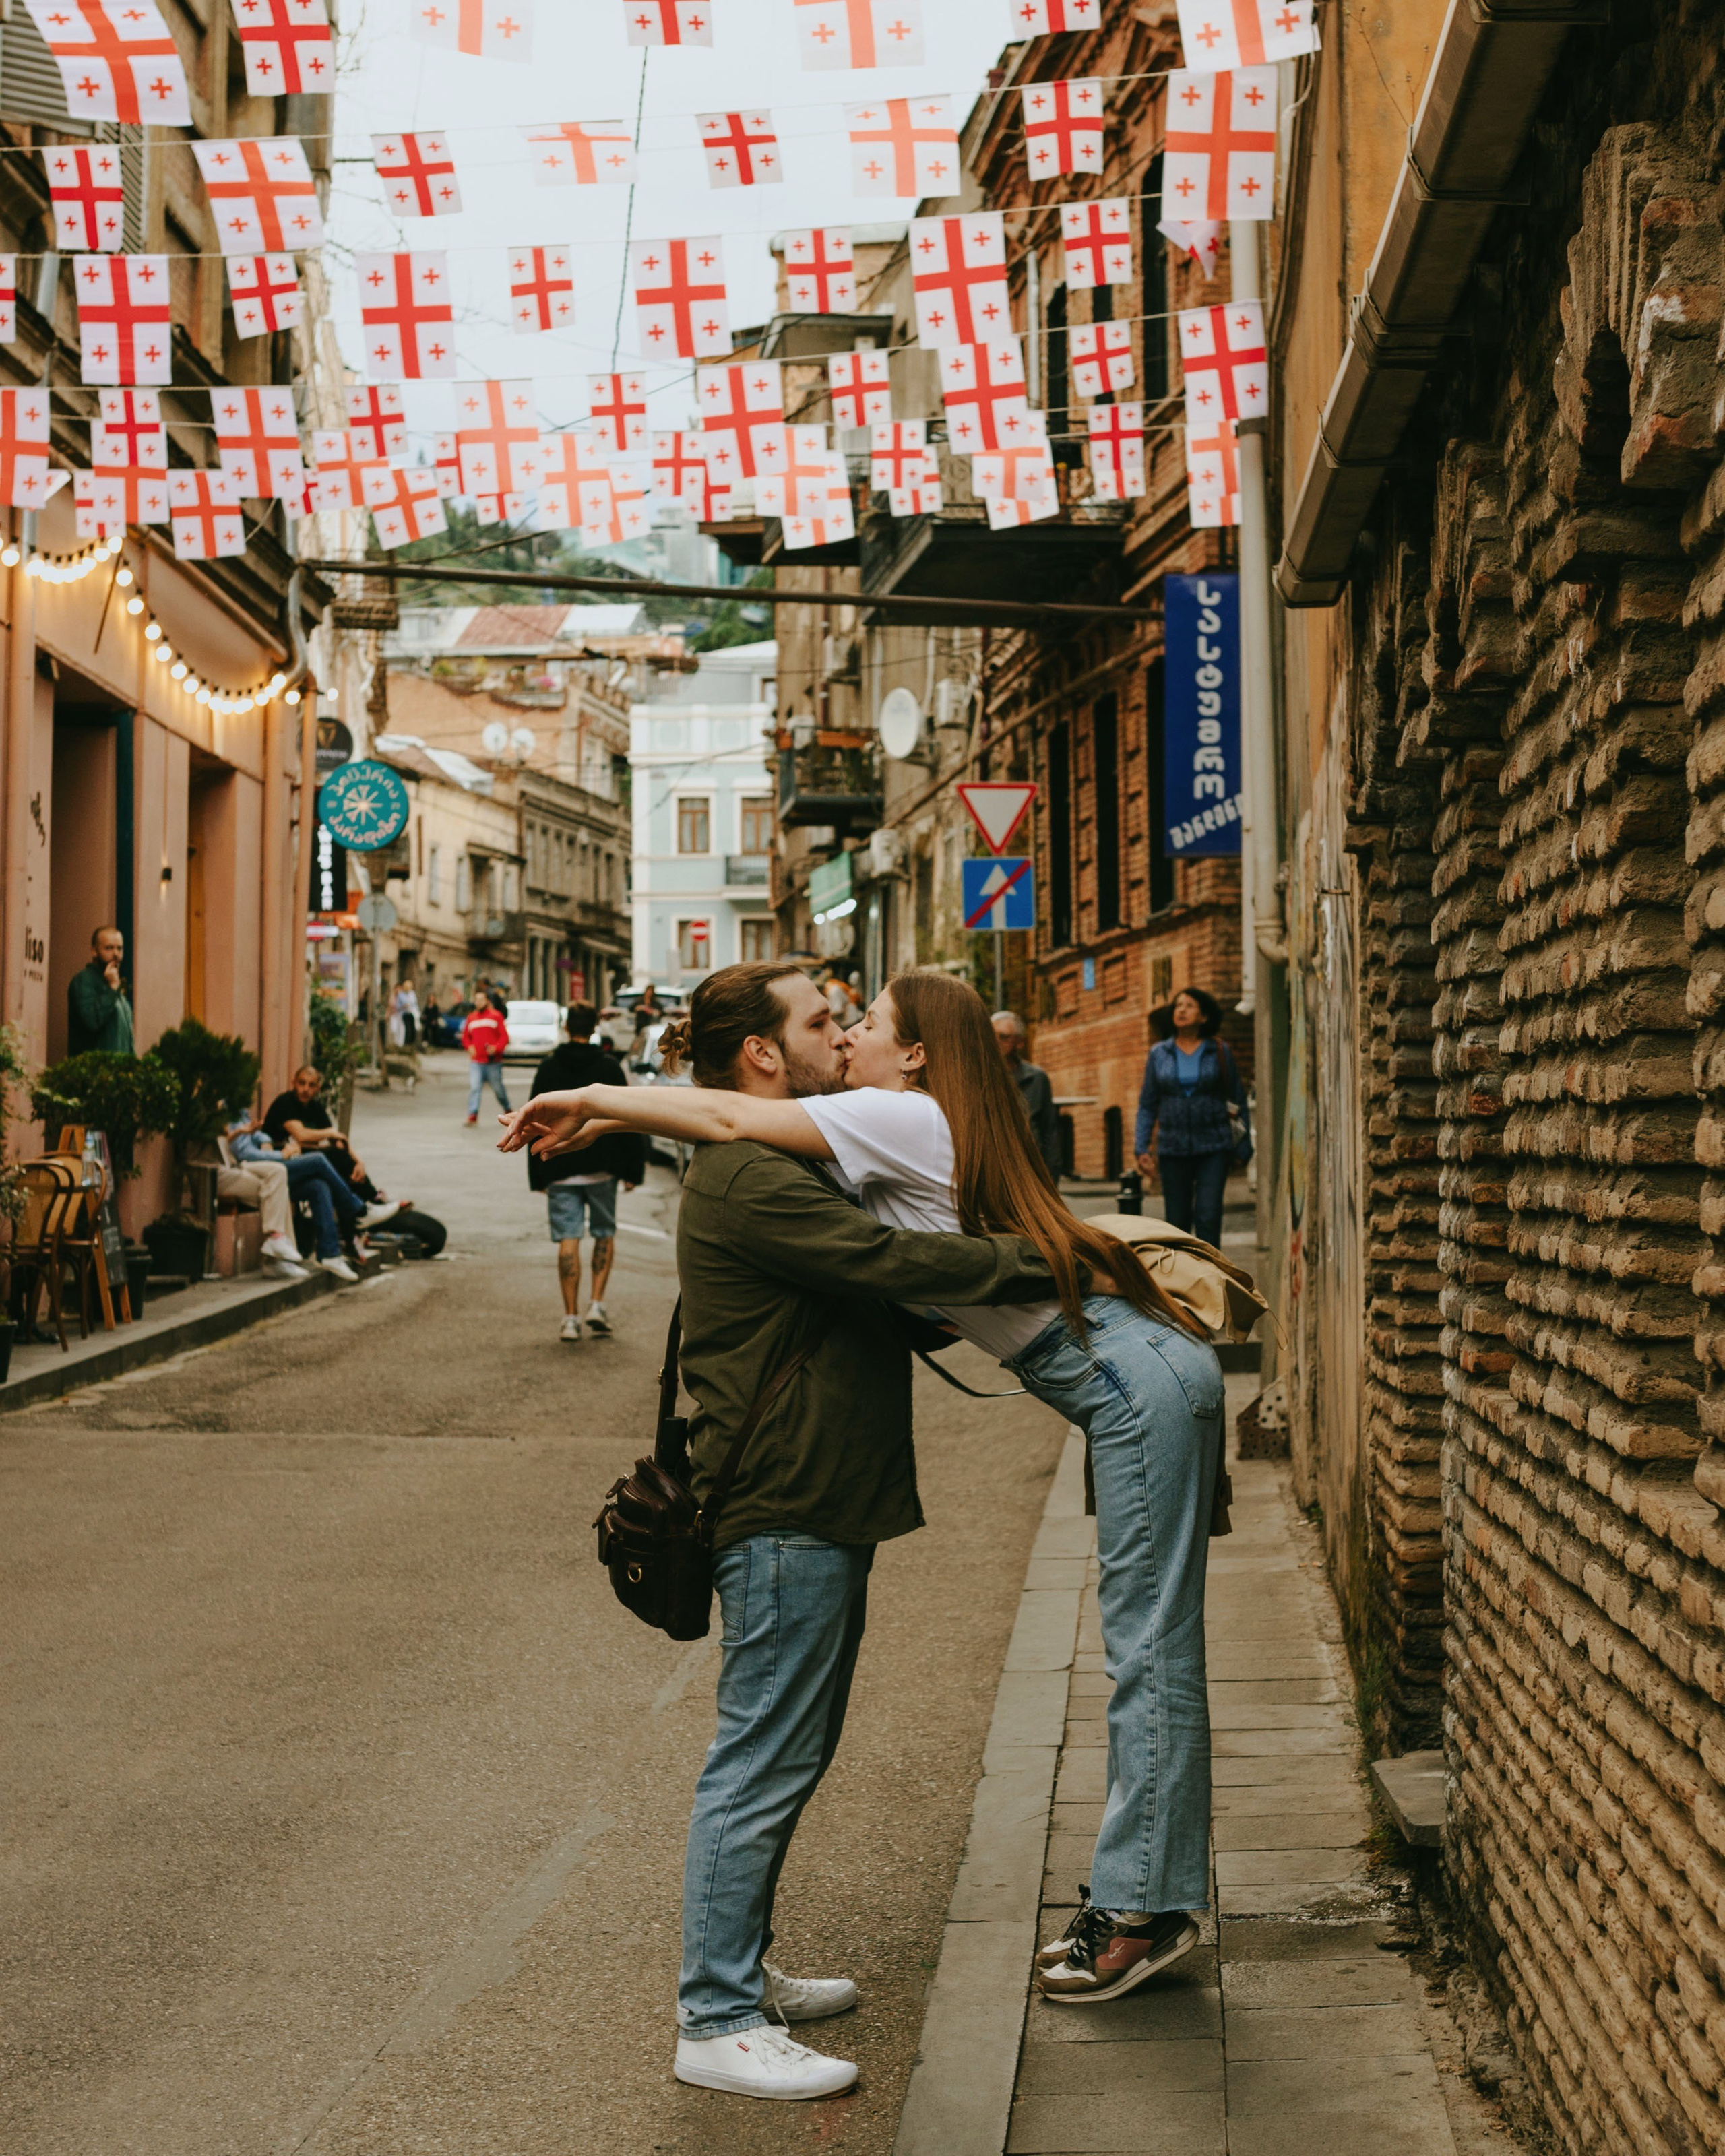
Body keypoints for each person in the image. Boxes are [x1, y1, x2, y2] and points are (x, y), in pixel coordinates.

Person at [510, 967, 1226, 2010]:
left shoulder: (900, 1113)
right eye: (832, 1022)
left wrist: (590, 1097)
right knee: (1144, 1639)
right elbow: (781, 1160)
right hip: (1127, 1374)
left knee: (1147, 1645)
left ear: (917, 1054)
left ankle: (1144, 1912)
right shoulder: (895, 1125)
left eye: (867, 1023)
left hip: (1129, 1381)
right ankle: (1141, 1899)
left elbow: (726, 1113)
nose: (847, 1037)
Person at [528, 1001, 645, 1343]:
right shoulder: (609, 1067)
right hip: (602, 1167)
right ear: (595, 1027)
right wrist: (633, 1169)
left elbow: (533, 1120)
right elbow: (628, 1117)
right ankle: (596, 1304)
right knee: (604, 1233)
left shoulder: (549, 1067)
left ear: (567, 1027)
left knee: (569, 1238)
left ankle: (570, 1319)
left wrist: (538, 1172)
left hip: (560, 1165)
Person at [1134, 988, 1252, 1252]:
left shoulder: (1219, 1051)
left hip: (1214, 1146)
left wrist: (1243, 1146)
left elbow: (1237, 1099)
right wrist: (1142, 1147)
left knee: (1209, 1216)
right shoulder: (1159, 1053)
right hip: (1173, 1147)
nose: (1182, 1010)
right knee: (1177, 1223)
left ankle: (1211, 1272)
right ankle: (1182, 1275)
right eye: (1178, 1005)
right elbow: (1148, 1103)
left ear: (1204, 1016)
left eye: (1189, 1006)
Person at [227, 1109, 403, 1283]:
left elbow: (255, 1135)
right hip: (254, 1169)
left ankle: (330, 1253)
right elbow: (244, 1152)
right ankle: (359, 1211)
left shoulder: (240, 1108)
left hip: (267, 1166)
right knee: (318, 1160)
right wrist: (280, 1154)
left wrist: (265, 1142)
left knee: (318, 1186)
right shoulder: (228, 1106)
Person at [261, 1067, 384, 1203]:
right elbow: (301, 1135)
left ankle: (364, 1205)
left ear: (318, 1088)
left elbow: (338, 1141)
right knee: (331, 1157)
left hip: (302, 1158)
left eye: (311, 1085)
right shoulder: (285, 1102)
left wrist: (359, 1162)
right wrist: (329, 1132)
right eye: (302, 1083)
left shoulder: (315, 1107)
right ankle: (369, 1200)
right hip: (279, 1160)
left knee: (334, 1165)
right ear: (294, 1083)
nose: (306, 1089)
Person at [992, 1009, 1063, 1182]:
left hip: (1030, 1170)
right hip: (994, 1171)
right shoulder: (979, 1076)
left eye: (1004, 1037)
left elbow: (1049, 1129)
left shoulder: (1036, 1078)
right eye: (991, 1035)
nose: (996, 1041)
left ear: (1020, 1042)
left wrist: (1051, 1176)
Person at [67, 926, 135, 1056]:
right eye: (109, 948)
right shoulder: (84, 980)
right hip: (96, 1067)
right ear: (94, 951)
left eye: (119, 948)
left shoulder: (115, 984)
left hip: (120, 1067)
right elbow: (92, 1021)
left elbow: (127, 1039)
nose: (116, 954)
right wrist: (112, 988)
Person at [461, 990, 510, 1125]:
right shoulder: (471, 1018)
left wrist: (496, 1048)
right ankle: (473, 1114)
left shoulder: (496, 1016)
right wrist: (469, 1047)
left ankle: (508, 1109)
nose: (479, 1002)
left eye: (481, 1000)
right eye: (476, 1000)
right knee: (475, 1088)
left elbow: (504, 1037)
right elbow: (465, 1037)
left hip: (493, 1062)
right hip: (477, 1061)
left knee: (498, 1089)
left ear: (487, 1001)